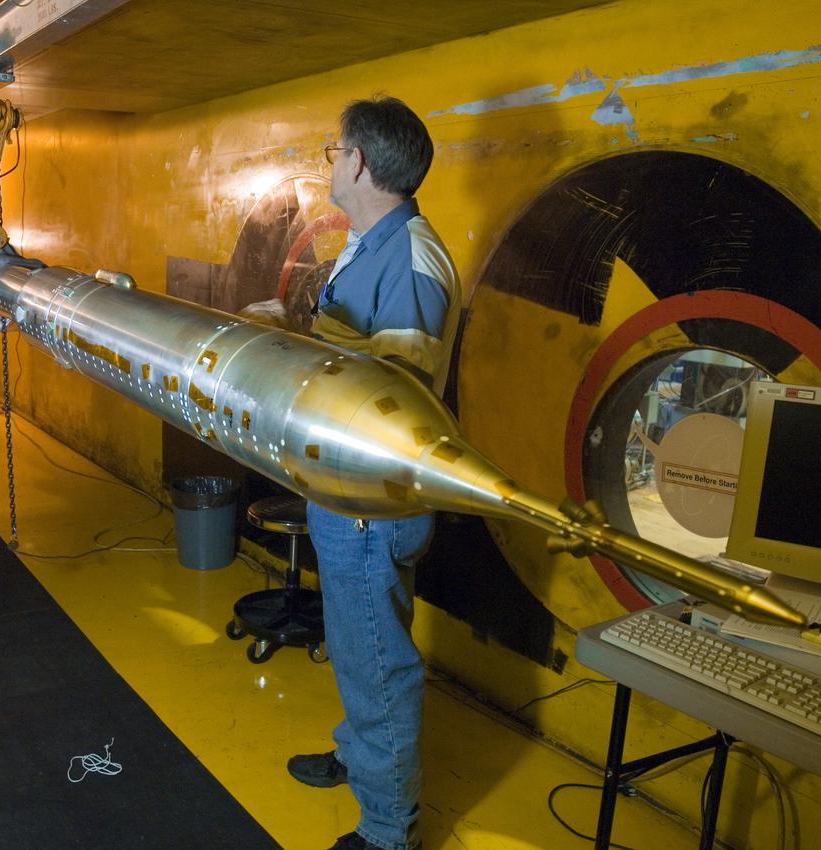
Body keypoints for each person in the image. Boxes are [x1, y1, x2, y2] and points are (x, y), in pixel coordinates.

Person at [285, 96, 460, 850]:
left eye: (335, 149)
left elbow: (390, 406)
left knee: (378, 658)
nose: (333, 160)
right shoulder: (367, 242)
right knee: (356, 638)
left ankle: (390, 828)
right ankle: (360, 757)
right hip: (339, 491)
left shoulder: (413, 257)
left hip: (370, 502)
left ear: (358, 163)